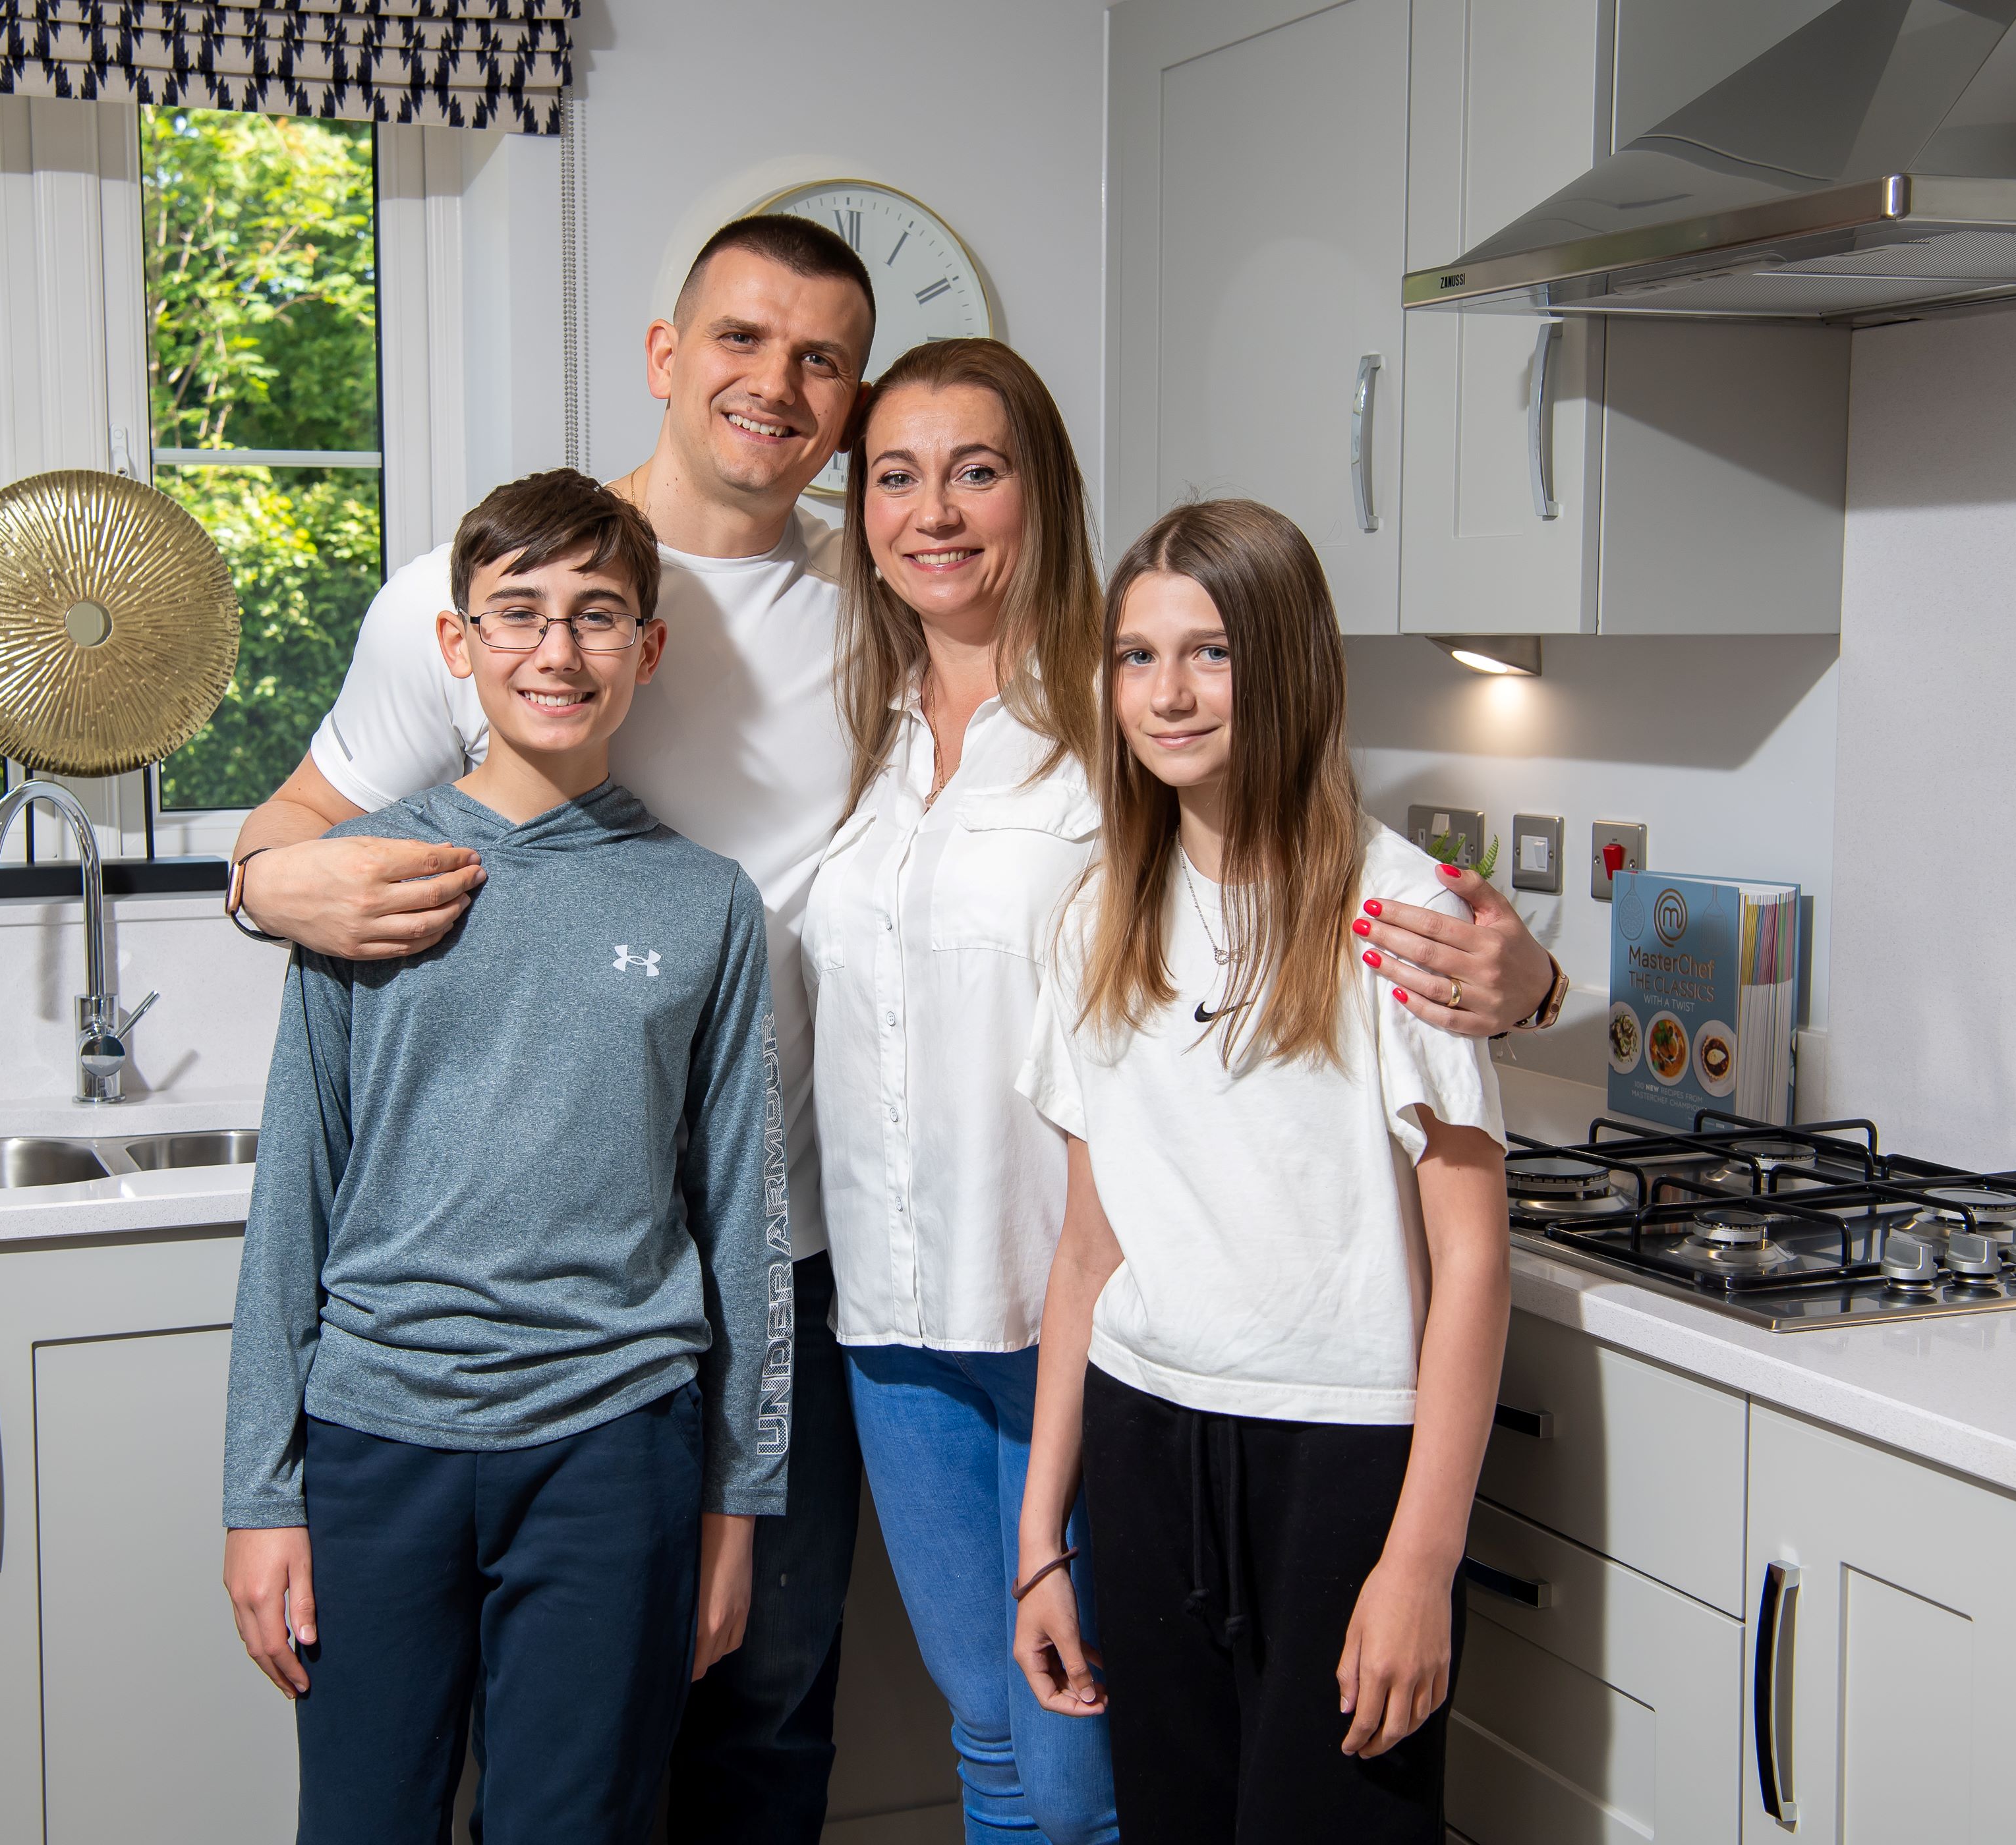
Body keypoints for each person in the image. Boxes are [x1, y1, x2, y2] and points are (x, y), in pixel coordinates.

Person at [220, 211, 1557, 1840]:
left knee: (895, 1733)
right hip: (802, 1295)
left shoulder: (1051, 687)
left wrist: (1544, 982)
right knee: (751, 1729)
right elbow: (289, 825)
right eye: (740, 340)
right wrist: (271, 889)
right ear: (667, 354)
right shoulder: (535, 599)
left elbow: (1298, 839)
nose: (779, 389)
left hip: (1001, 1292)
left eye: (826, 368)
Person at [219, 470, 792, 1844]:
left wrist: (736, 1503)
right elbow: (292, 1193)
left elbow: (741, 1221)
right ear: (456, 641)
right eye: (519, 612)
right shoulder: (358, 879)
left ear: (647, 650)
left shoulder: (707, 904)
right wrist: (260, 1491)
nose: (557, 648)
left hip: (614, 1443)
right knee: (362, 1819)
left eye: (598, 616)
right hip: (375, 1436)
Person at [1010, 500, 1513, 1844]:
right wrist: (1037, 1546)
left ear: (1286, 663)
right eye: (1135, 655)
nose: (1166, 692)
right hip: (1144, 1437)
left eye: (1210, 652)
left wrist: (1421, 1559)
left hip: (1343, 1464)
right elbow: (1086, 1253)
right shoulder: (1093, 919)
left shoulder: (1403, 916)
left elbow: (1472, 1261)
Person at [803, 337, 1116, 1844]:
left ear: (1040, 489)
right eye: (897, 475)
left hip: (1079, 1325)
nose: (935, 510)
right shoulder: (851, 742)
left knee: (1074, 1770)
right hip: (893, 1321)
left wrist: (1509, 971)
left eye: (976, 470)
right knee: (986, 1737)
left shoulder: (1122, 723)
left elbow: (1319, 881)